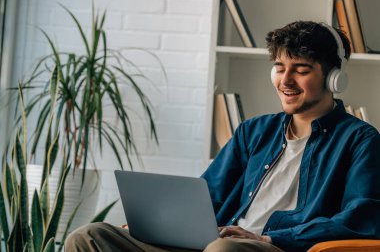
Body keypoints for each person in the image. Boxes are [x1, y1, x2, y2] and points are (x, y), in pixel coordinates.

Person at [64, 21, 380, 252]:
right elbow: (208, 197)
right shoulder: (254, 131)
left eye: (300, 69)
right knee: (88, 236)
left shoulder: (360, 141)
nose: (285, 80)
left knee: (222, 251)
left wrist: (269, 238)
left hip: (275, 248)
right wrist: (156, 225)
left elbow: (361, 219)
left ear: (334, 77)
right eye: (279, 67)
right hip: (216, 241)